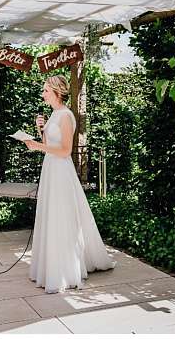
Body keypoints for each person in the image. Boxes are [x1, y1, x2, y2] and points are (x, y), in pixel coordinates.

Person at [23, 73, 114, 292]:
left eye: (45, 90)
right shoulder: (54, 114)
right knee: (51, 215)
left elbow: (65, 151)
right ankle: (50, 264)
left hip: (61, 171)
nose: (43, 94)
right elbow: (49, 143)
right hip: (50, 169)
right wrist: (40, 130)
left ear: (56, 92)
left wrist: (36, 146)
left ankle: (64, 269)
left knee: (61, 216)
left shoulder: (65, 116)